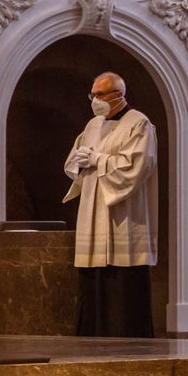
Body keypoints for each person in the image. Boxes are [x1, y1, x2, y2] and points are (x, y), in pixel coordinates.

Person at [63, 72, 158, 337]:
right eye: (92, 94)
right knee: (92, 282)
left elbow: (137, 167)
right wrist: (80, 162)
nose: (94, 100)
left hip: (123, 216)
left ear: (119, 95)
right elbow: (74, 161)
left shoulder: (139, 124)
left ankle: (127, 338)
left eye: (100, 94)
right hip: (93, 212)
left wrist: (98, 160)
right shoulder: (93, 125)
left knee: (122, 286)